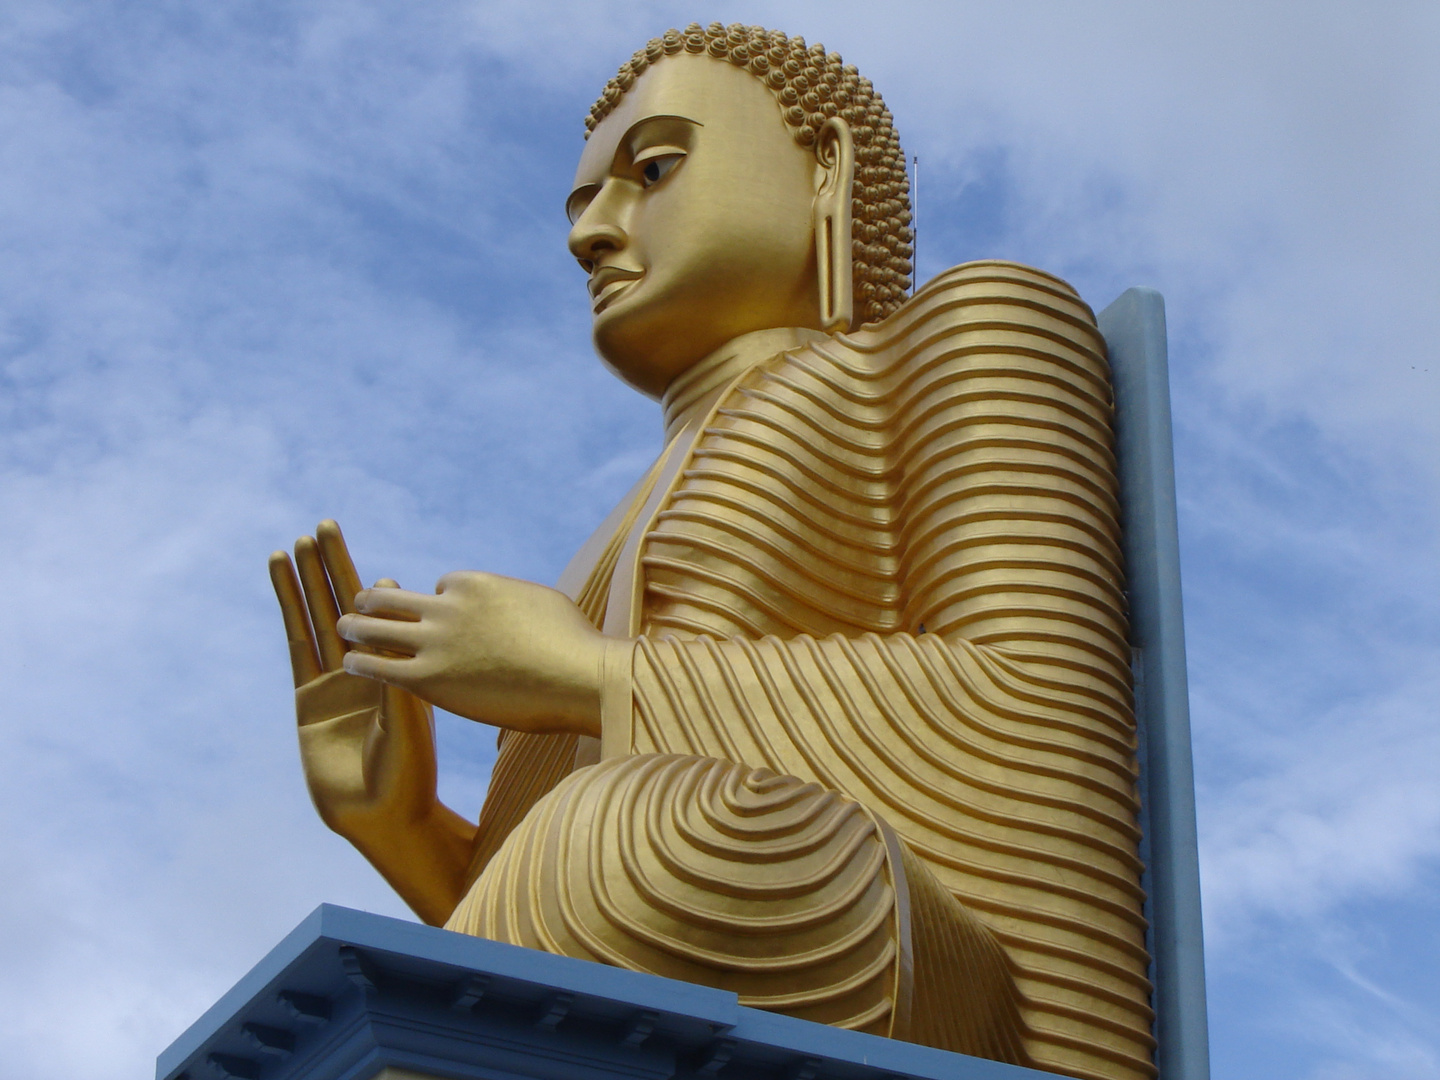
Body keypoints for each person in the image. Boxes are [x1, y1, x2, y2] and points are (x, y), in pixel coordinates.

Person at [269, 24, 1155, 1080]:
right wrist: (398, 823)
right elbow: (545, 937)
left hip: (932, 967)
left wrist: (588, 675)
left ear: (822, 165)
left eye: (652, 170)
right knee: (613, 834)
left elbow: (1041, 710)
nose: (591, 234)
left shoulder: (973, 330)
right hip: (675, 904)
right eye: (582, 204)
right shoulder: (601, 538)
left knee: (659, 822)